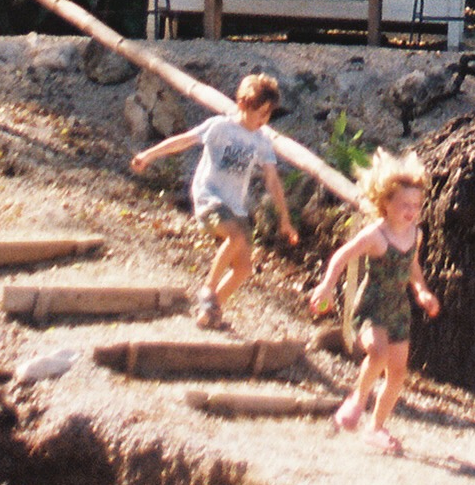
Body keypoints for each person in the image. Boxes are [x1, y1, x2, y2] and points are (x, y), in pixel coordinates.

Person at [130, 72, 296, 327]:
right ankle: (208, 290)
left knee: (243, 269)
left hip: (235, 206)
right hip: (210, 198)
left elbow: (272, 181)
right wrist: (149, 155)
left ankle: (209, 313)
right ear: (243, 104)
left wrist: (285, 218)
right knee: (236, 238)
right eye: (259, 113)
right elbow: (183, 141)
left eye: (268, 115)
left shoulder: (261, 141)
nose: (263, 120)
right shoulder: (220, 127)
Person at [311, 149, 438, 451]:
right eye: (405, 204)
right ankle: (357, 399)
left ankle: (376, 427)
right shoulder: (376, 235)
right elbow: (342, 255)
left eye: (416, 205)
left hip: (398, 310)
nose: (412, 211)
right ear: (386, 203)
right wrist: (327, 286)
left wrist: (421, 290)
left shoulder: (415, 235)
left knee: (397, 374)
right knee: (377, 353)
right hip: (371, 306)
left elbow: (413, 267)